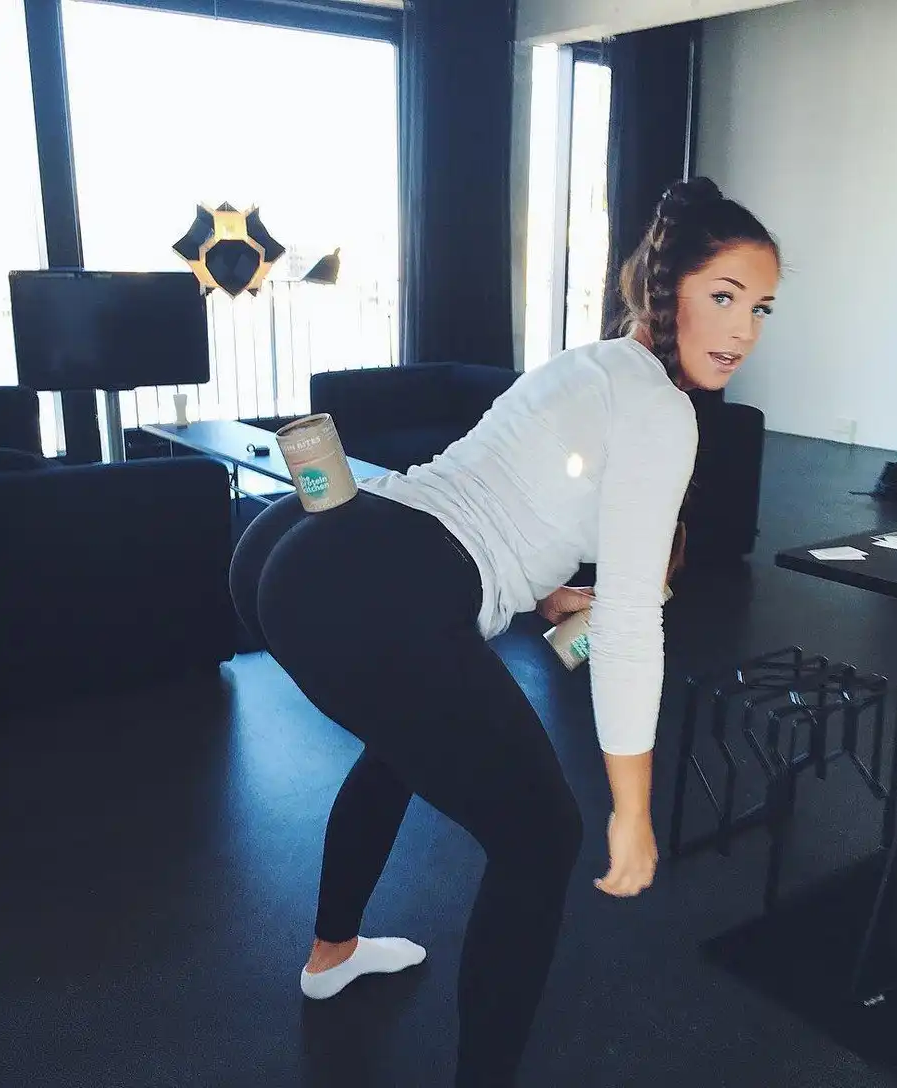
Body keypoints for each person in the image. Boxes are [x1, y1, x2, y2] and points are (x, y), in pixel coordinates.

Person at [229, 176, 780, 1086]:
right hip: (375, 582)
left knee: (402, 742)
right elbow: (630, 621)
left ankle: (333, 955)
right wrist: (632, 809)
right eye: (724, 296)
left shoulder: (588, 363)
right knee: (541, 838)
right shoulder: (661, 409)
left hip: (304, 541)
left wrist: (549, 590)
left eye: (760, 307)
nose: (744, 330)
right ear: (669, 285)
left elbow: (512, 498)